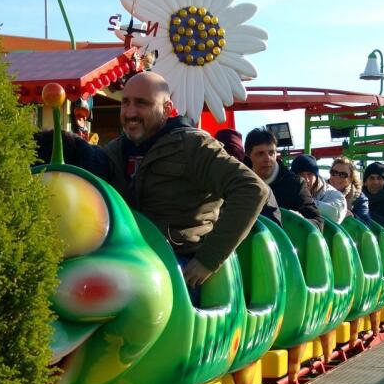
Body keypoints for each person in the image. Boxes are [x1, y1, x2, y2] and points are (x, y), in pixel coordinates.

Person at [102, 72, 268, 289]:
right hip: (126, 258)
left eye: (142, 103)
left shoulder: (192, 146)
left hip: (178, 262)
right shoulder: (114, 151)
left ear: (167, 109)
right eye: (125, 103)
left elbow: (251, 189)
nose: (130, 112)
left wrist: (207, 260)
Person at [244, 128, 322, 229]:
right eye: (260, 154)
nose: (267, 159)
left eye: (271, 152)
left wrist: (300, 221)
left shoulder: (295, 184)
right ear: (248, 155)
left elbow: (318, 222)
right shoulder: (242, 184)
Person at [289, 154, 347, 224]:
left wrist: (302, 201)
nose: (306, 179)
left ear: (316, 176)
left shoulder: (334, 195)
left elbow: (335, 214)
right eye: (301, 174)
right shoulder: (287, 191)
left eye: (309, 174)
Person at [327, 157, 371, 223]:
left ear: (351, 178)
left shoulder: (359, 198)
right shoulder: (320, 191)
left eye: (343, 175)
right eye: (334, 172)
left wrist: (352, 216)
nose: (337, 177)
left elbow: (365, 223)